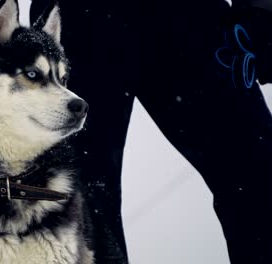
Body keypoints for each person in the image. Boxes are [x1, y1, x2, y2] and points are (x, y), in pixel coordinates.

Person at [30, 0, 272, 263]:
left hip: (188, 18)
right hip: (78, 20)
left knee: (258, 174)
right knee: (79, 207)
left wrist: (261, 11)